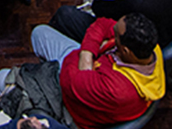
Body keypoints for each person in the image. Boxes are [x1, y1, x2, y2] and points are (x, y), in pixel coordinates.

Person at [20, 13, 164, 129]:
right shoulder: (151, 49)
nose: (112, 29)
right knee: (40, 33)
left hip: (74, 108)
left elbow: (68, 81)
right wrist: (87, 54)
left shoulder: (117, 89)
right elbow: (102, 24)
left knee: (3, 78)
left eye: (115, 35)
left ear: (125, 51)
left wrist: (84, 53)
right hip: (86, 70)